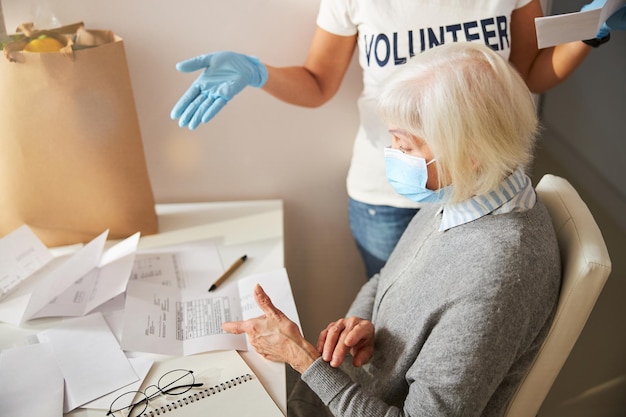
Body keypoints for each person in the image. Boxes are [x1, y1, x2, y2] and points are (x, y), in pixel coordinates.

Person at [222, 42, 561, 417]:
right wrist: (360, 321)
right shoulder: (467, 194)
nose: (393, 153)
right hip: (347, 388)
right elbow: (388, 276)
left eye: (406, 144)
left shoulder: (499, 276)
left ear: (470, 151)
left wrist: (305, 361)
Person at [171, 0, 626, 277]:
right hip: (389, 195)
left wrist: (591, 30)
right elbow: (317, 81)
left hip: (483, 190)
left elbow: (527, 75)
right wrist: (257, 72)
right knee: (392, 333)